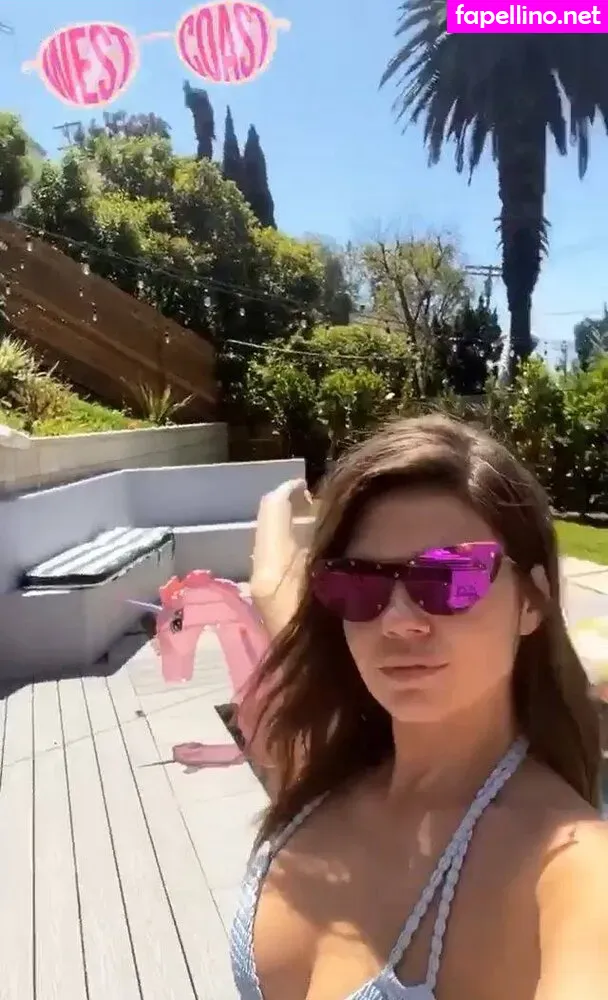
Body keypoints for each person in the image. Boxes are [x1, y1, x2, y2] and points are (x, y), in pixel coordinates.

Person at [231, 414, 608, 1000]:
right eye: (359, 584)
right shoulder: (326, 763)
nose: (398, 621)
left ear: (533, 601)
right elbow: (273, 588)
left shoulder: (571, 870)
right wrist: (280, 501)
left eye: (450, 578)